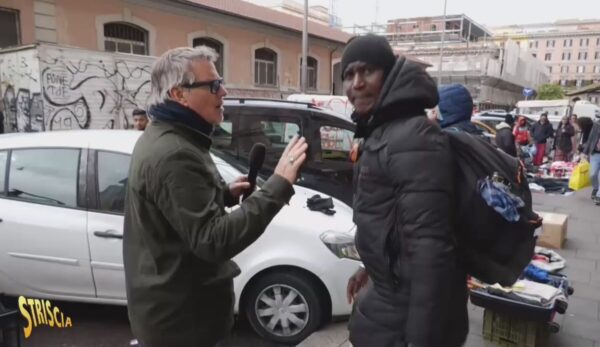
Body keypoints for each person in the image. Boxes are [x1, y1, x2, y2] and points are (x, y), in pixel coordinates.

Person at [123, 46, 308, 347]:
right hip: (184, 326)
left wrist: (222, 194)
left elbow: (172, 208)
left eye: (220, 82)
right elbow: (212, 241)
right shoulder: (176, 152)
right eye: (213, 85)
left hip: (178, 318)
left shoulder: (170, 137)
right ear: (179, 94)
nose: (223, 91)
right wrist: (279, 184)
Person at [342, 35, 468, 347]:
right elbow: (392, 221)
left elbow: (430, 248)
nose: (356, 83)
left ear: (389, 74)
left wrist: (421, 340)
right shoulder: (385, 130)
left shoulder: (414, 136)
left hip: (406, 315)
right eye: (348, 74)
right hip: (389, 298)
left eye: (366, 71)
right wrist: (368, 267)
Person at [581, 115, 600, 204]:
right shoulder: (596, 124)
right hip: (595, 153)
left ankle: (599, 196)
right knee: (593, 174)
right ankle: (596, 188)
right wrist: (584, 152)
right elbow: (590, 138)